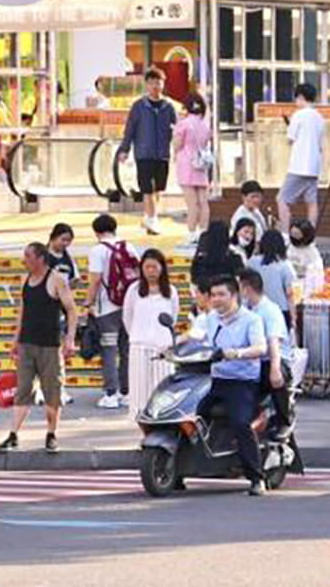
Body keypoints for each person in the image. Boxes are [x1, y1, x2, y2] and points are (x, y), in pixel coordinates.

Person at [0, 242, 76, 453]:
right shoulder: (26, 280)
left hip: (49, 344)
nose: (25, 261)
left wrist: (70, 338)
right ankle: (13, 434)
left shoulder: (56, 279)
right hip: (27, 343)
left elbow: (71, 310)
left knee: (52, 390)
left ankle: (51, 433)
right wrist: (16, 339)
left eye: (28, 256)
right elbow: (23, 311)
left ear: (40, 258)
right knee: (23, 389)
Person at [195, 275, 271, 495]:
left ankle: (257, 477)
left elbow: (260, 348)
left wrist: (234, 354)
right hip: (215, 380)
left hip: (242, 382)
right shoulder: (211, 318)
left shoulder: (251, 320)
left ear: (234, 295)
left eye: (221, 295)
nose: (216, 299)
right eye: (213, 295)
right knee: (193, 416)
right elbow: (199, 340)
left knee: (240, 422)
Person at [117, 69, 177, 235]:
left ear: (163, 84)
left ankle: (149, 217)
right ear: (146, 85)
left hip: (162, 154)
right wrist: (124, 149)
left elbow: (177, 130)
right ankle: (152, 218)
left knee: (158, 189)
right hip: (143, 153)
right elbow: (130, 129)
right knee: (147, 189)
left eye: (158, 83)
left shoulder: (169, 107)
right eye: (152, 83)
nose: (155, 86)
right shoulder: (139, 106)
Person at [122, 248, 179, 420]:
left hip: (163, 347)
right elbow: (128, 317)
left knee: (161, 387)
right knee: (140, 388)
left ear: (162, 268)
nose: (151, 272)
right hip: (139, 345)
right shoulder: (133, 290)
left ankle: (162, 419)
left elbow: (173, 317)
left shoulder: (171, 291)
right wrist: (137, 336)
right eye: (147, 267)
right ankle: (140, 420)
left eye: (155, 267)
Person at [84, 214, 133, 410]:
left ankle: (111, 393)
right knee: (126, 350)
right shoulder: (128, 247)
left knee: (109, 350)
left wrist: (88, 302)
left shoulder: (97, 251)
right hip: (128, 306)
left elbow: (95, 280)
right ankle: (126, 392)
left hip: (107, 308)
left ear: (96, 232)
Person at [238, 268, 293, 436]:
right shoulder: (246, 309)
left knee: (269, 376)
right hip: (253, 358)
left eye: (238, 287)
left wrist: (275, 370)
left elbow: (273, 342)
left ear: (246, 289)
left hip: (273, 358)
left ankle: (283, 421)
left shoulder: (270, 310)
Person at [279, 83, 326, 230]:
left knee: (282, 199)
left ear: (300, 97)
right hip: (314, 167)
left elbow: (290, 139)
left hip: (298, 166)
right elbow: (319, 142)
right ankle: (310, 234)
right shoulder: (319, 117)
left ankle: (285, 234)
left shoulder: (298, 115)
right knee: (311, 203)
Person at [167, 91, 213, 239]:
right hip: (201, 165)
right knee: (203, 202)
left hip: (186, 164)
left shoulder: (183, 124)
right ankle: (204, 231)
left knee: (191, 203)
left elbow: (177, 144)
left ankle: (192, 233)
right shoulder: (205, 125)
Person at [247, 229, 298, 320]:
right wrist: (293, 316)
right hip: (280, 308)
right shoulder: (284, 265)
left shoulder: (252, 262)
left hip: (256, 307)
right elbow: (289, 293)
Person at [286, 219, 326, 302]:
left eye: (296, 234)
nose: (293, 236)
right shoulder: (288, 246)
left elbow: (316, 273)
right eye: (292, 234)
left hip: (304, 286)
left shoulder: (312, 252)